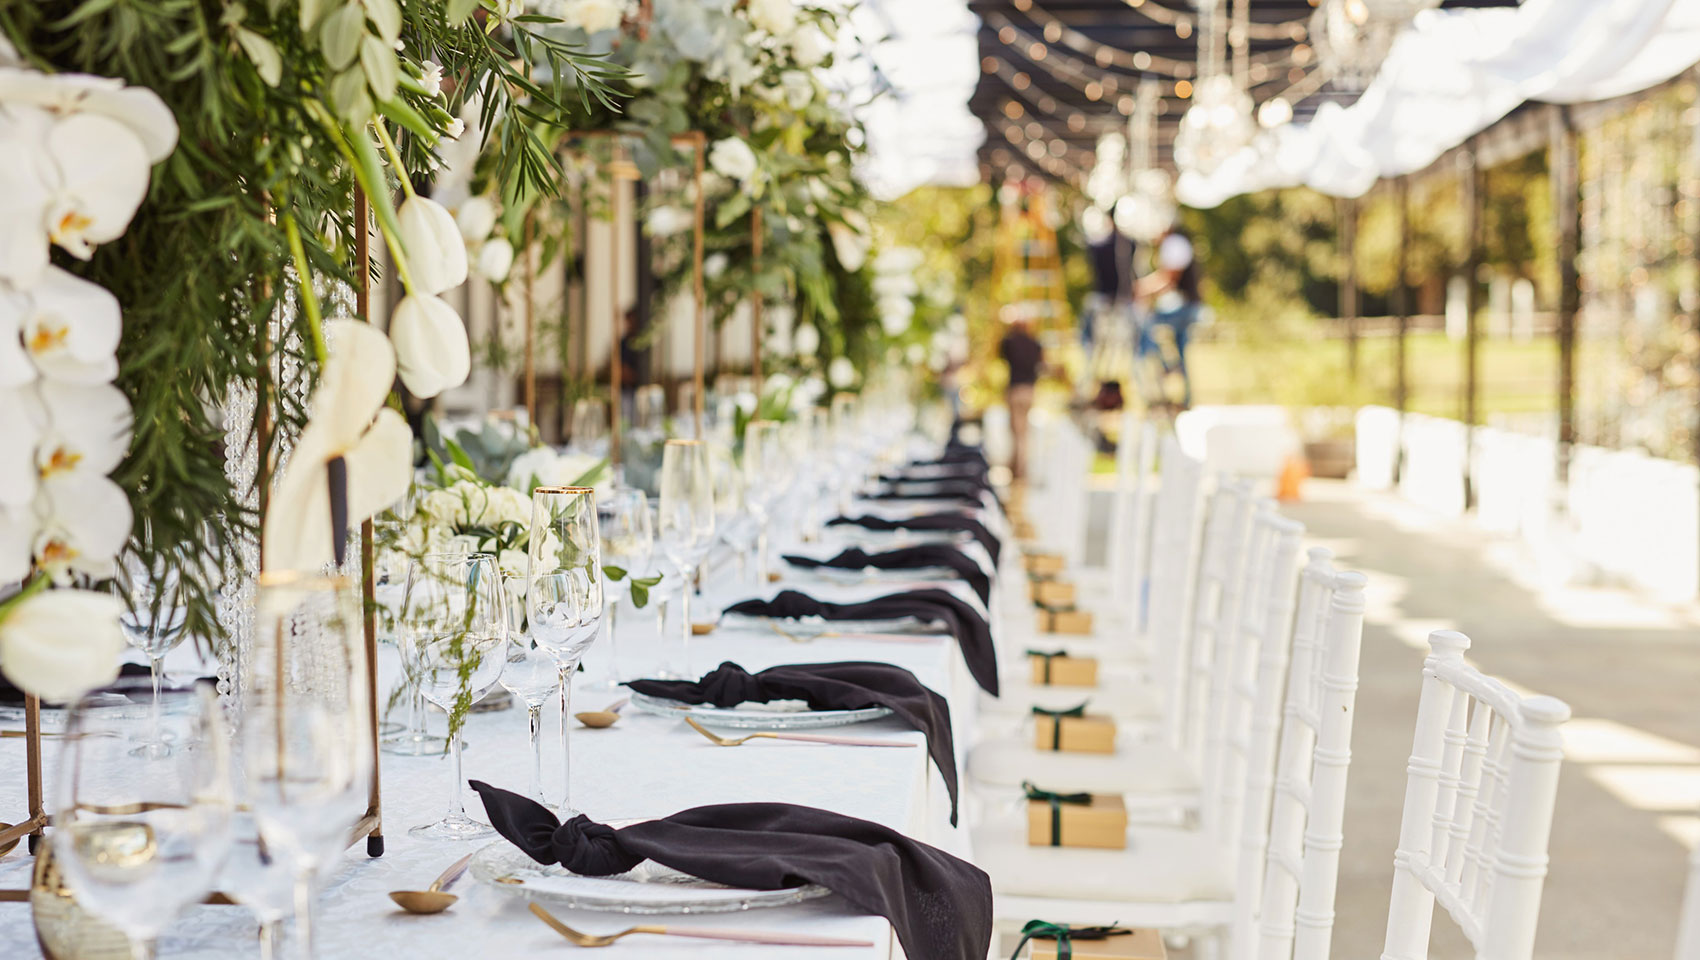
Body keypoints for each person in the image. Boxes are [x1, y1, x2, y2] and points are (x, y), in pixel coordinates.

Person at [1135, 225, 1202, 409]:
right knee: (1181, 351)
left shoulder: (1174, 244)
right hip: (1188, 306)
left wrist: (1141, 289)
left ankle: (1168, 364)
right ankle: (1185, 396)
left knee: (1146, 325)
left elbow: (1168, 279)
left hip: (1185, 307)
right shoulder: (1176, 243)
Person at [999, 313, 1044, 481]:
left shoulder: (1011, 342)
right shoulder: (1035, 344)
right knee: (1022, 431)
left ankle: (1019, 469)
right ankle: (1017, 465)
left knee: (1017, 431)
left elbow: (1002, 352)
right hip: (1029, 390)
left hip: (1016, 389)